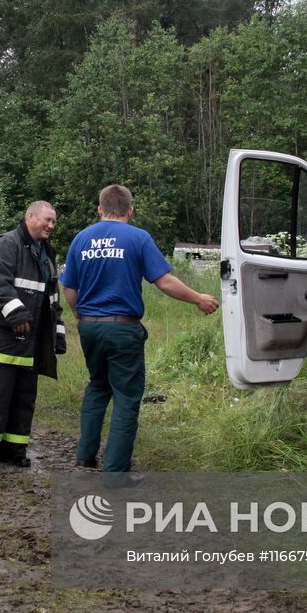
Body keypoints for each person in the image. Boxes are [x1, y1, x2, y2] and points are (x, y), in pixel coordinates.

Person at [59, 184, 219, 484]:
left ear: (100, 209)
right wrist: (198, 298)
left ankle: (84, 456)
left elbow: (69, 288)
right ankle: (115, 473)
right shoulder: (138, 238)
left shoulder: (81, 238)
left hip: (90, 326)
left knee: (97, 386)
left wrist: (80, 315)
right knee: (126, 397)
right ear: (130, 210)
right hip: (123, 328)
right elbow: (165, 281)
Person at [0, 201, 66, 468]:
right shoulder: (6, 245)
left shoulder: (46, 252)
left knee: (23, 398)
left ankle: (13, 450)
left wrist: (56, 332)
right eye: (47, 220)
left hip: (29, 343)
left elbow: (50, 296)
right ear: (30, 216)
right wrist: (17, 314)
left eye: (54, 222)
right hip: (0, 338)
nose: (51, 226)